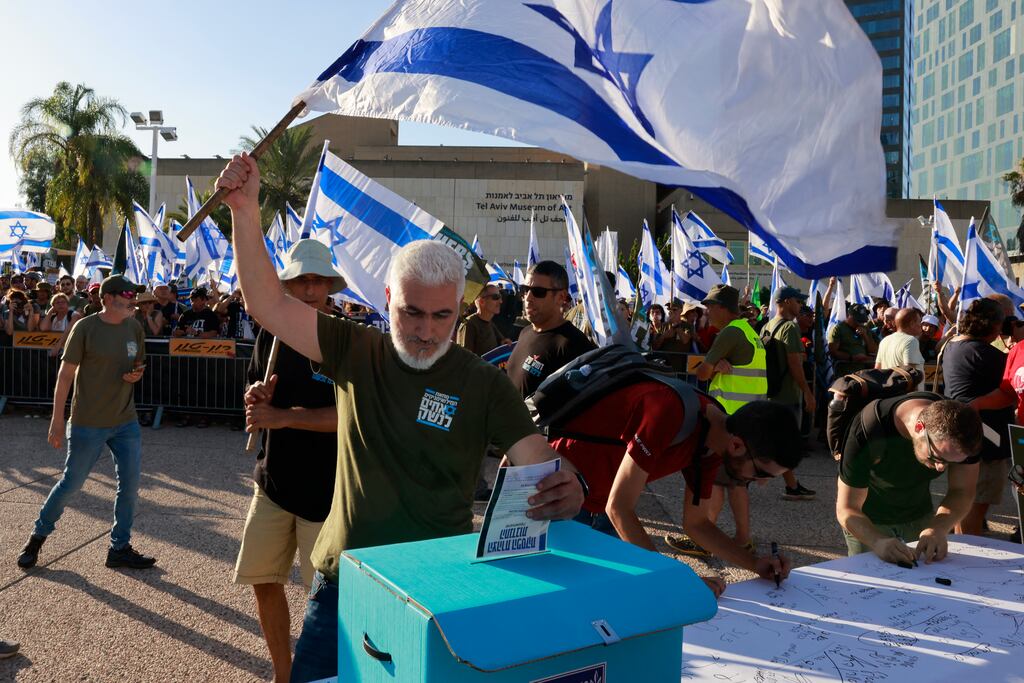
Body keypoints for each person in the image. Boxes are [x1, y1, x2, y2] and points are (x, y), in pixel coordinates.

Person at [216, 152, 584, 683]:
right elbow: (268, 304)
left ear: (461, 307)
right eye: (410, 311)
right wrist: (245, 213)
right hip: (343, 584)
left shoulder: (483, 384)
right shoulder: (354, 348)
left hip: (438, 589)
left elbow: (538, 463)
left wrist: (568, 489)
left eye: (442, 315)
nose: (425, 331)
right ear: (388, 298)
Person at [553, 386, 802, 597]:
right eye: (762, 473)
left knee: (609, 595)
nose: (761, 483)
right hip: (558, 489)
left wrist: (755, 564)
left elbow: (697, 523)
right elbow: (618, 508)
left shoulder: (713, 442)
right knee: (564, 599)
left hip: (595, 496)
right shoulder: (668, 412)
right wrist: (674, 578)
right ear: (737, 445)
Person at [235, 239, 343, 683]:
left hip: (327, 492)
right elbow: (255, 389)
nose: (309, 288)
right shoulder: (271, 332)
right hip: (273, 481)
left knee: (326, 598)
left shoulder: (343, 338)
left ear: (331, 286)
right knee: (263, 579)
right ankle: (284, 673)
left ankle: (330, 674)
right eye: (301, 280)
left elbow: (346, 418)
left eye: (317, 280)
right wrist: (256, 399)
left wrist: (281, 416)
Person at [17, 275, 155, 570]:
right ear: (107, 298)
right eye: (127, 294)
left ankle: (119, 548)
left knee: (129, 487)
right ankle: (37, 537)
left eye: (135, 294)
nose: (133, 299)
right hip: (87, 421)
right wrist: (56, 420)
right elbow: (65, 376)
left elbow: (138, 362)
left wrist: (137, 373)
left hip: (125, 421)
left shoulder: (134, 326)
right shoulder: (85, 327)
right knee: (71, 483)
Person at [671, 284, 767, 556]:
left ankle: (704, 539)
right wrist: (716, 365)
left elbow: (701, 374)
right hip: (747, 419)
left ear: (723, 308)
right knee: (734, 482)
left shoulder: (730, 333)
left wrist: (711, 367)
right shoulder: (749, 332)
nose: (706, 311)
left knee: (714, 480)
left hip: (725, 422)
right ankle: (743, 539)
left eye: (710, 306)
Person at [836, 394, 981, 564]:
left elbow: (962, 491)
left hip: (919, 514)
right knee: (869, 585)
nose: (942, 467)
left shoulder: (965, 431)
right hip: (869, 520)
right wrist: (877, 541)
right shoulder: (868, 430)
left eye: (953, 462)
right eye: (937, 458)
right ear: (920, 427)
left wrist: (938, 528)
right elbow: (847, 509)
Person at [940, 299, 1014, 536]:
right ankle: (968, 549)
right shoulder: (986, 354)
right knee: (975, 501)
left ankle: (953, 539)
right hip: (985, 438)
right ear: (993, 325)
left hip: (962, 432)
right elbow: (1011, 391)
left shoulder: (953, 346)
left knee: (961, 494)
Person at [506, 261, 595, 397]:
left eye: (538, 292)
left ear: (561, 297)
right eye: (525, 289)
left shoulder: (573, 345)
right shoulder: (526, 332)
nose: (528, 298)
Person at [760, 286, 816, 501]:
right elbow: (795, 365)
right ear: (785, 302)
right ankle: (745, 478)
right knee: (784, 444)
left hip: (770, 393)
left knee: (776, 442)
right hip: (787, 395)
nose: (800, 305)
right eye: (797, 301)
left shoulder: (766, 327)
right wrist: (808, 393)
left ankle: (792, 485)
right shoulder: (789, 328)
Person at [874, 308, 925, 387]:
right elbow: (911, 375)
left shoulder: (884, 341)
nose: (921, 325)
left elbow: (877, 369)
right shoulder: (911, 340)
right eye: (919, 321)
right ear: (912, 324)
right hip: (908, 396)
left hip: (890, 394)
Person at [456, 283, 508, 355]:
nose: (500, 301)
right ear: (482, 301)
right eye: (496, 297)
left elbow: (503, 342)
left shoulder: (490, 322)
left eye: (500, 297)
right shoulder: (468, 324)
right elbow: (464, 358)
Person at [828, 303, 877, 373]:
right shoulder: (838, 329)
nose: (860, 324)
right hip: (846, 371)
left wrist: (865, 336)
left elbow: (873, 351)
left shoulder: (865, 329)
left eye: (862, 321)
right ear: (849, 316)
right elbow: (832, 351)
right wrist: (851, 357)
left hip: (865, 370)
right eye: (858, 321)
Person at [39, 292, 82, 356]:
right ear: (53, 306)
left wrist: (58, 346)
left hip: (68, 354)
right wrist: (50, 312)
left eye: (63, 302)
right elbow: (43, 328)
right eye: (58, 303)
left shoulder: (74, 315)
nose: (60, 305)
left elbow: (69, 331)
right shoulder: (53, 317)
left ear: (67, 304)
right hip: (53, 354)